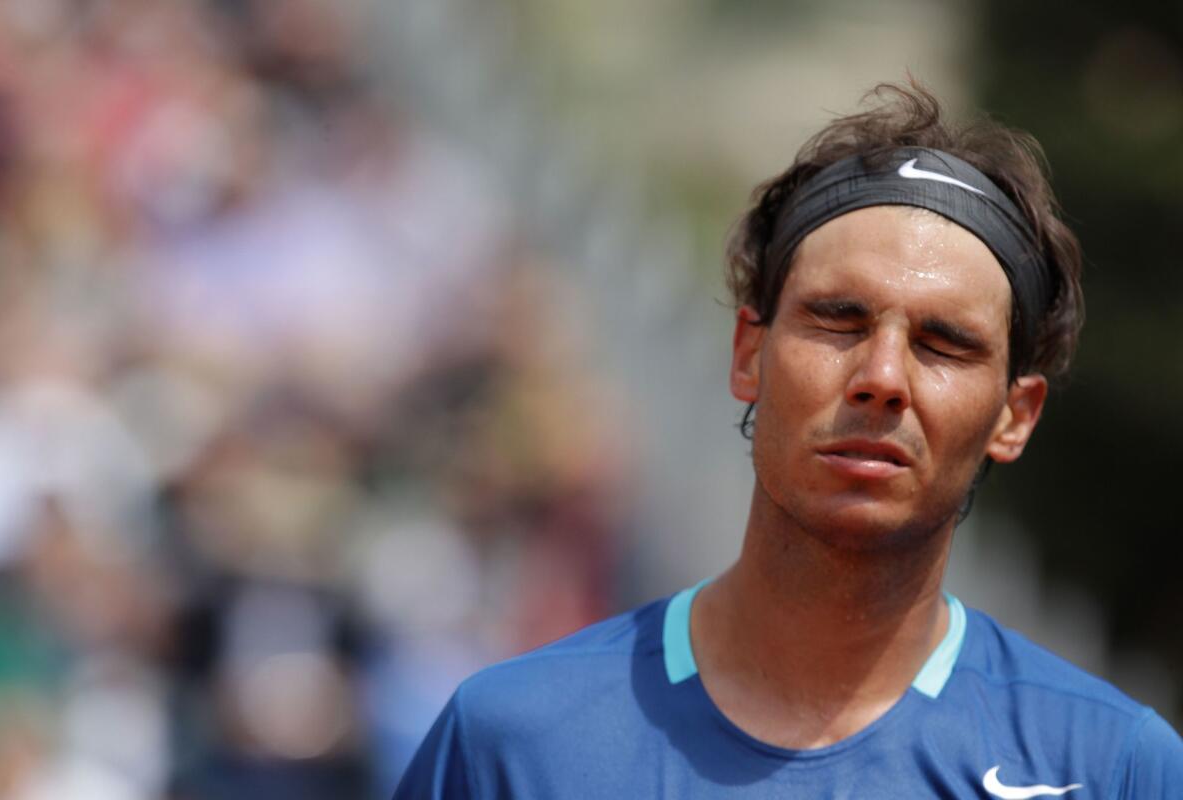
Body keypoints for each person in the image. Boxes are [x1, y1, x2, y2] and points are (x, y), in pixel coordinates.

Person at [393, 83, 1183, 798]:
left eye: (944, 343)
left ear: (1016, 415)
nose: (883, 376)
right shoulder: (512, 739)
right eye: (838, 319)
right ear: (749, 354)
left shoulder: (1112, 768)